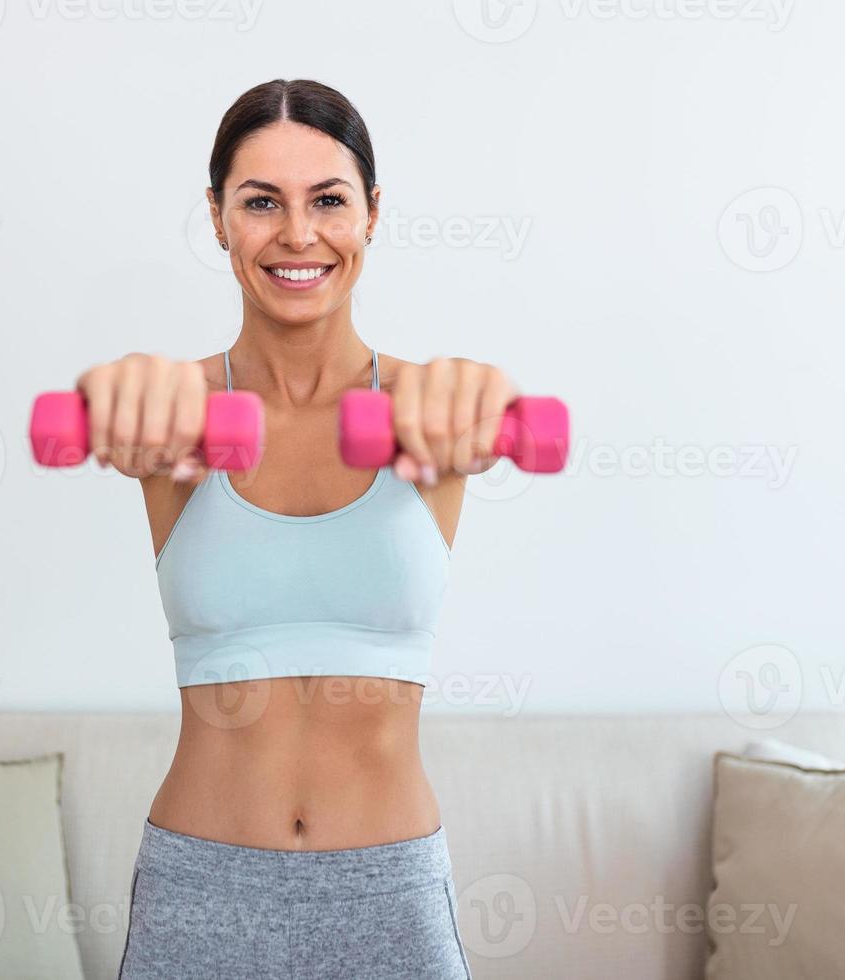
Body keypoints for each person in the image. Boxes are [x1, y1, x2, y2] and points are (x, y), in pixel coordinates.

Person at [78, 78, 518, 980]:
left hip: (388, 893)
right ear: (217, 218)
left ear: (371, 214)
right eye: (260, 203)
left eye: (328, 200)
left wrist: (481, 387)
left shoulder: (429, 414)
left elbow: (483, 395)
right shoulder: (177, 418)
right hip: (202, 892)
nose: (298, 234)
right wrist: (115, 386)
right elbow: (114, 396)